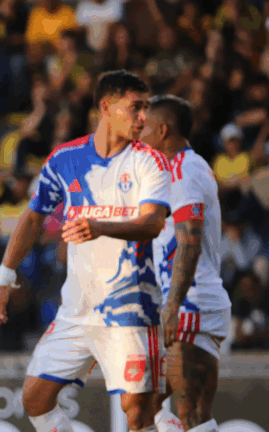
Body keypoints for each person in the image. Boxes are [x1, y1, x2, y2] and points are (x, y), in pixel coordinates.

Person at [0, 69, 171, 432]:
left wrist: (100, 227)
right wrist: (3, 278)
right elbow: (33, 217)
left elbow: (153, 223)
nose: (143, 117)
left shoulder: (149, 161)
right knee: (35, 400)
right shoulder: (65, 159)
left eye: (147, 108)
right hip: (78, 311)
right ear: (106, 107)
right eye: (135, 107)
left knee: (138, 414)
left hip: (130, 311)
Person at [140, 94, 231, 432]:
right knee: (143, 405)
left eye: (145, 126)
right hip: (179, 304)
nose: (139, 132)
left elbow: (189, 241)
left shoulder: (184, 169)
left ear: (163, 130)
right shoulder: (173, 171)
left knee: (191, 412)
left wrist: (173, 306)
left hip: (190, 303)